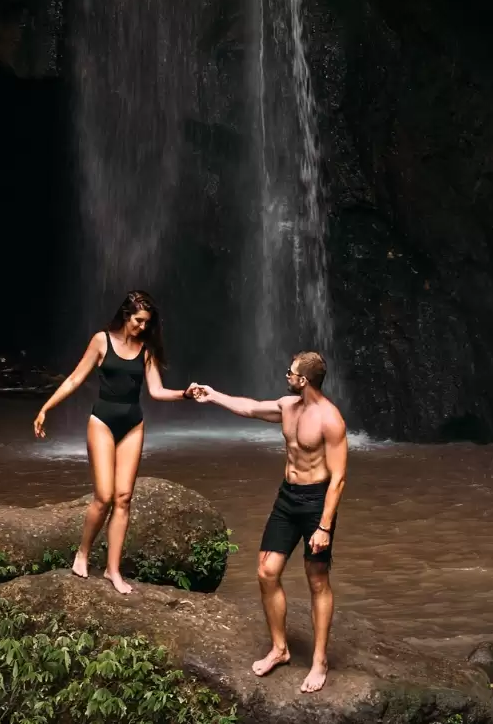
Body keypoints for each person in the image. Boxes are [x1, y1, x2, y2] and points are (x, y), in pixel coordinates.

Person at [187, 352, 347, 693]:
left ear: (304, 380)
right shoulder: (288, 407)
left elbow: (339, 479)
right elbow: (250, 407)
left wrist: (325, 527)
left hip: (316, 502)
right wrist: (213, 395)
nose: (285, 375)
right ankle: (280, 648)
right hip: (287, 498)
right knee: (266, 571)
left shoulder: (330, 419)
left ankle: (319, 660)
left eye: (290, 372)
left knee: (317, 579)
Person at [33, 290, 189, 594]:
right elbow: (75, 379)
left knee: (124, 497)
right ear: (126, 315)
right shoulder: (101, 341)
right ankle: (83, 552)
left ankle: (112, 570)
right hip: (102, 422)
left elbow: (156, 391)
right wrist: (45, 408)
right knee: (103, 496)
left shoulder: (147, 350)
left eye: (147, 323)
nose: (142, 327)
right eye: (138, 321)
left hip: (133, 424)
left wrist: (185, 394)